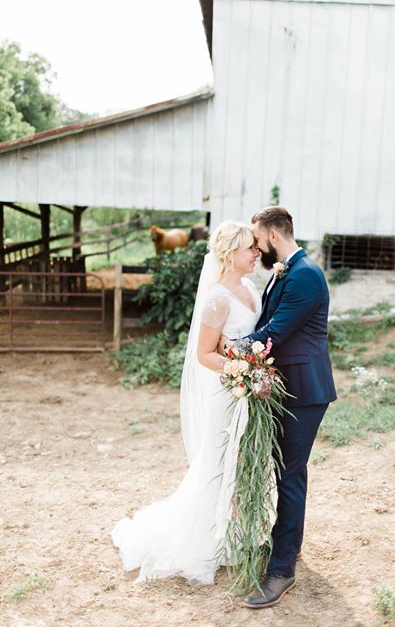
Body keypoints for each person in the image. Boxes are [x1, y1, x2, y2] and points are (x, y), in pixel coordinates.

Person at [111, 221, 261, 585]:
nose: (257, 253)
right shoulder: (216, 299)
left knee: (243, 459)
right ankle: (206, 540)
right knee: (218, 460)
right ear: (229, 255)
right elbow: (204, 354)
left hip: (250, 392)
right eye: (250, 249)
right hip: (227, 392)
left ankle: (238, 532)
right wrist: (242, 372)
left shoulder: (252, 289)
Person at [232, 206, 337, 609]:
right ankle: (287, 547)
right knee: (285, 470)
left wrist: (229, 350)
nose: (258, 249)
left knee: (290, 474)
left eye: (258, 241)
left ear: (274, 236)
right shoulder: (289, 272)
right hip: (285, 387)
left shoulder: (306, 275)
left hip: (305, 391)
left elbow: (275, 332)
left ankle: (281, 571)